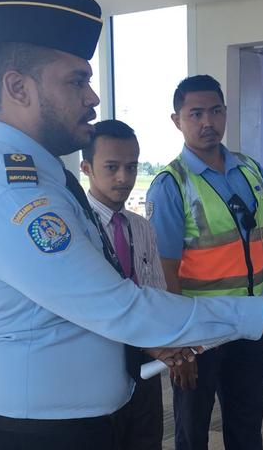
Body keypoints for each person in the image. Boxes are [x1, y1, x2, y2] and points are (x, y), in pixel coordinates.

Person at [0, 0, 263, 450]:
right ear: (18, 87)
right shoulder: (11, 194)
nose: (93, 97)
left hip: (75, 423)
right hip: (26, 433)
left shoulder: (45, 178)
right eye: (76, 81)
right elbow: (118, 306)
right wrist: (259, 313)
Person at [145, 75, 263, 450]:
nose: (207, 122)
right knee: (192, 430)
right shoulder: (172, 184)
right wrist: (180, 343)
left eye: (215, 111)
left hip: (249, 322)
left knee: (247, 423)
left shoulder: (250, 170)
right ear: (177, 120)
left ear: (225, 113)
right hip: (200, 331)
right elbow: (165, 269)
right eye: (196, 113)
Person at [81, 119, 166, 449]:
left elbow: (156, 293)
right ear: (87, 167)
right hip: (95, 362)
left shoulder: (141, 227)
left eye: (131, 167)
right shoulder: (77, 226)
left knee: (146, 439)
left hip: (145, 358)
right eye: (112, 167)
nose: (124, 178)